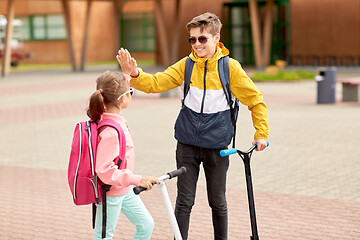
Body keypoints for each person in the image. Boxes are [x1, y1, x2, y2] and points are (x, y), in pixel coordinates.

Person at [116, 12, 269, 240]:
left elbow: (256, 101)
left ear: (217, 38)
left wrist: (261, 134)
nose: (196, 44)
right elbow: (157, 82)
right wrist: (135, 74)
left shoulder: (231, 69)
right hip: (187, 144)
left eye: (202, 39)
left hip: (217, 146)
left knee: (217, 201)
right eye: (192, 39)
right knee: (184, 201)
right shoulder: (186, 66)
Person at [87, 71, 159, 240]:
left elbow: (113, 89)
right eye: (131, 91)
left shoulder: (112, 119)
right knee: (104, 236)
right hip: (110, 192)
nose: (131, 94)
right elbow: (105, 171)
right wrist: (137, 179)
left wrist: (127, 75)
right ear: (122, 99)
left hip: (124, 189)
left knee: (146, 224)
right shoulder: (111, 131)